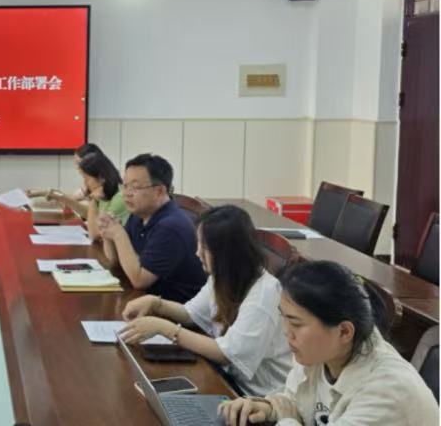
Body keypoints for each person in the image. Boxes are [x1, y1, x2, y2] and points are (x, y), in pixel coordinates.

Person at [220, 260, 438, 425]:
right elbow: (296, 402)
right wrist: (267, 407)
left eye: (295, 323)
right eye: (283, 317)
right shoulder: (323, 352)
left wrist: (285, 420)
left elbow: (293, 416)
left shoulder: (386, 391)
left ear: (344, 332)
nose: (287, 332)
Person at [120, 205, 292, 396]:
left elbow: (226, 354)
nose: (197, 253)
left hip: (257, 396)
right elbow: (190, 314)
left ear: (227, 252)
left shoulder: (264, 294)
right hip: (228, 380)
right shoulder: (223, 275)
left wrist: (166, 329)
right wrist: (156, 303)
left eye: (205, 248)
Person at [97, 153, 205, 302]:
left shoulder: (171, 226)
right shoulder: (138, 215)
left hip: (174, 309)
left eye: (135, 187)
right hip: (145, 300)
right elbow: (116, 262)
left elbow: (140, 280)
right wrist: (107, 233)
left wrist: (118, 235)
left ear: (159, 191)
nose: (126, 194)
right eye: (125, 186)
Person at [27, 143, 105, 206]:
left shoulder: (101, 185)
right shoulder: (89, 182)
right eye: (77, 164)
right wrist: (41, 193)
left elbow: (85, 209)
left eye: (79, 164)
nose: (78, 169)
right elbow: (71, 198)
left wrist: (47, 194)